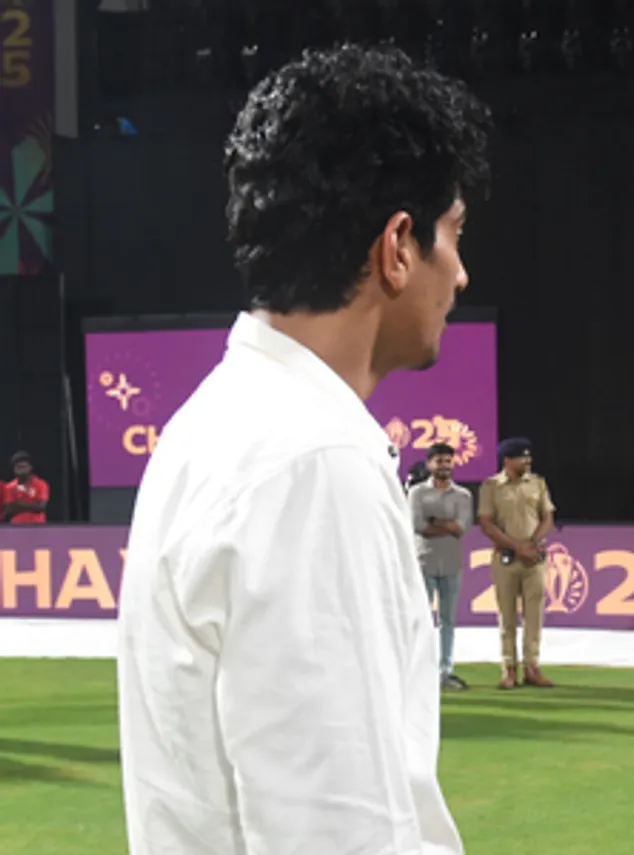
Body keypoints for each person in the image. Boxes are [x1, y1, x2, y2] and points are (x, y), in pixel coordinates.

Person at [115, 44, 489, 855]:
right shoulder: (313, 463)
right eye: (454, 234)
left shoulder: (217, 424)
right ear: (398, 245)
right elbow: (338, 831)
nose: (460, 274)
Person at [478, 437, 557, 690]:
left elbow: (547, 517)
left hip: (534, 558)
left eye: (528, 456)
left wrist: (532, 544)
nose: (528, 461)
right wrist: (516, 546)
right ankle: (509, 669)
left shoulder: (538, 483)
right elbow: (487, 523)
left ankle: (532, 667)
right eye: (522, 457)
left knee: (534, 615)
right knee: (507, 615)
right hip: (506, 558)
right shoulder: (491, 486)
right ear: (508, 460)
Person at [409, 442, 474, 690]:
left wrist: (435, 521)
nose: (444, 465)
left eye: (448, 461)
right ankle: (418, 670)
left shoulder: (463, 495)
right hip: (424, 562)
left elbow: (462, 527)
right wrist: (448, 526)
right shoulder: (417, 493)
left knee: (448, 621)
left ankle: (445, 670)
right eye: (439, 461)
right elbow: (418, 525)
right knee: (421, 620)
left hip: (451, 564)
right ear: (429, 464)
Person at [2, 451, 49, 524]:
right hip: (16, 526)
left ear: (30, 467)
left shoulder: (40, 484)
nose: (21, 469)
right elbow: (9, 510)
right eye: (18, 467)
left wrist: (18, 503)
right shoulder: (9, 487)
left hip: (37, 525)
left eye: (24, 466)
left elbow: (41, 507)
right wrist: (32, 505)